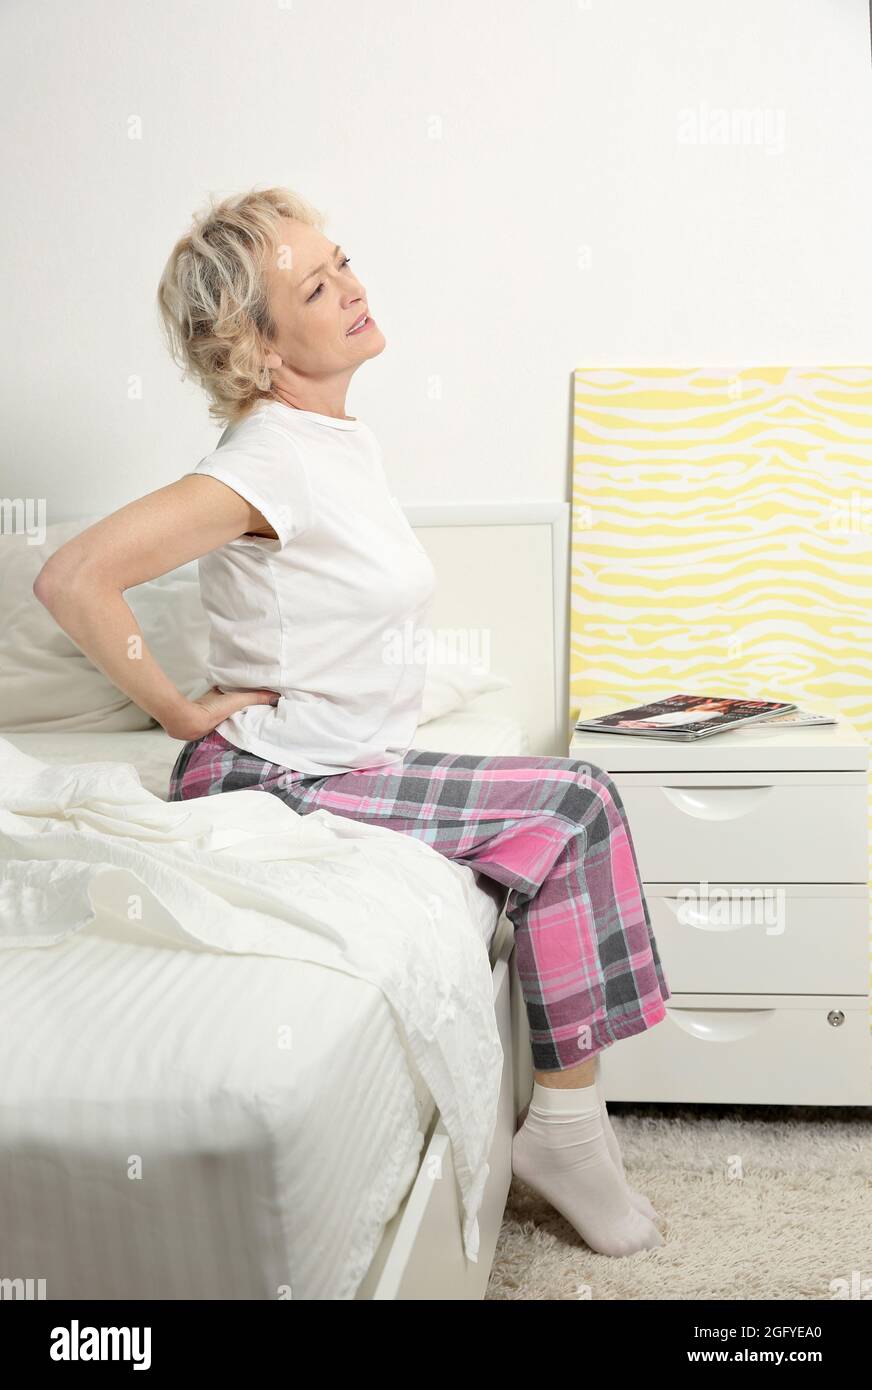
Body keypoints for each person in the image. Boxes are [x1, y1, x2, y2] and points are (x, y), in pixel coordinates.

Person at [34, 186, 671, 1257]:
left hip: (340, 757)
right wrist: (184, 711)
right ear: (257, 342)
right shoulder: (267, 454)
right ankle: (565, 1131)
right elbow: (73, 577)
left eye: (343, 263)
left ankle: (565, 1122)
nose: (352, 289)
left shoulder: (335, 441)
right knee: (577, 800)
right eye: (314, 287)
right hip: (273, 776)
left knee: (559, 809)